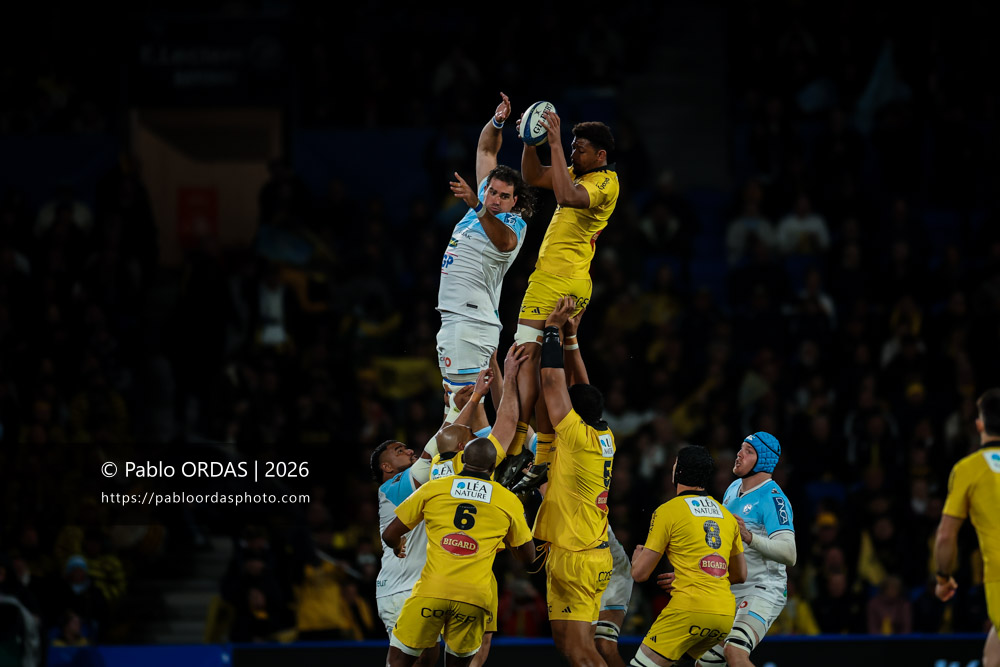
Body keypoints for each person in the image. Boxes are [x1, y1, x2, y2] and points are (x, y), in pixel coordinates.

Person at [510, 110, 619, 476]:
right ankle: (543, 452)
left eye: (580, 148)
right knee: (550, 366)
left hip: (554, 280)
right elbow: (532, 176)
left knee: (525, 357)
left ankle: (515, 444)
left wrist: (554, 143)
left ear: (600, 156)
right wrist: (531, 141)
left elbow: (566, 196)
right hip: (574, 281)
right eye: (572, 146)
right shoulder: (579, 172)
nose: (573, 152)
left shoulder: (606, 182)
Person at [382, 438, 536, 667]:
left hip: (431, 591)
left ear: (462, 459)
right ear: (493, 468)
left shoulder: (434, 488)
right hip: (473, 598)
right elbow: (528, 558)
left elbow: (389, 535)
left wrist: (398, 545)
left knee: (398, 661)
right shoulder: (508, 500)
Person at [425, 343, 528, 667]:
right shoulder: (499, 489)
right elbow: (509, 418)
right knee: (478, 640)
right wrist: (505, 375)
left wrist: (469, 403)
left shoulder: (440, 472)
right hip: (477, 578)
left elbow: (447, 437)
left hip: (436, 575)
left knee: (428, 643)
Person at [528, 296, 616, 666]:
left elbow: (552, 381)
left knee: (582, 653)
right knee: (569, 648)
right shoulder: (602, 433)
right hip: (581, 549)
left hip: (577, 556)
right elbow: (583, 388)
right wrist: (572, 340)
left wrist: (551, 328)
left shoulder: (577, 438)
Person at [437, 92, 534, 423]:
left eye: (503, 196)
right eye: (490, 192)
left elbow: (505, 244)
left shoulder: (511, 223)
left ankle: (454, 471)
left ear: (514, 201)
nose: (493, 199)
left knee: (459, 414)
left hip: (468, 322)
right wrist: (497, 121)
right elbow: (486, 150)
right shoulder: (483, 203)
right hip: (465, 322)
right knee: (467, 413)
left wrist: (477, 206)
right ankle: (487, 466)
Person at [631, 446, 747, 667]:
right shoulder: (726, 515)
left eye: (675, 463)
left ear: (679, 472)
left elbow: (640, 574)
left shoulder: (668, 510)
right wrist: (696, 577)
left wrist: (637, 557)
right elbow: (741, 575)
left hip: (687, 610)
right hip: (723, 616)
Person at [692, 431, 796, 667]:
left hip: (763, 588)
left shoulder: (773, 498)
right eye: (741, 448)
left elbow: (789, 554)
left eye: (749, 451)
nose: (739, 454)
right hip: (733, 589)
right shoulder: (733, 489)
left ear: (764, 460)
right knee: (704, 664)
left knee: (735, 652)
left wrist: (750, 537)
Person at [935, 387, 1000, 667]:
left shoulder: (968, 470)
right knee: (993, 655)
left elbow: (946, 536)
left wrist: (942, 578)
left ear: (980, 425)